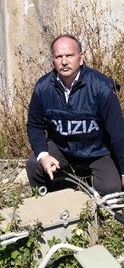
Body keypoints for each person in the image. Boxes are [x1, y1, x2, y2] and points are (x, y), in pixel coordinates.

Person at [26, 34, 124, 196]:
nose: (64, 61)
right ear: (53, 61)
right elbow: (34, 125)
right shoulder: (43, 88)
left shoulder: (101, 87)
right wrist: (43, 155)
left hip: (98, 150)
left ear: (81, 58)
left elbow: (118, 132)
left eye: (70, 55)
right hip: (62, 147)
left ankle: (96, 215)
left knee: (110, 189)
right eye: (59, 56)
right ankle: (52, 206)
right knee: (34, 165)